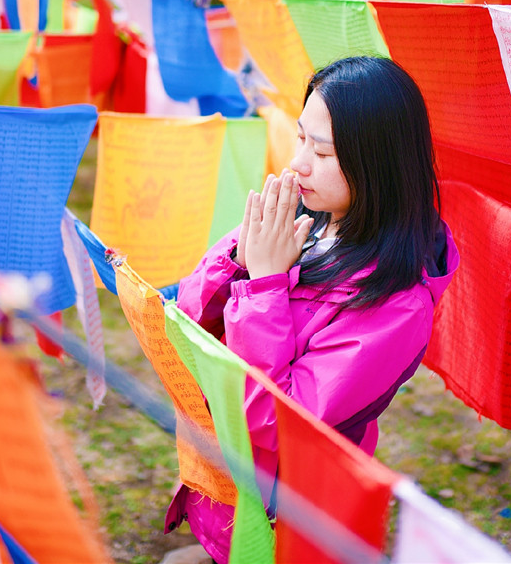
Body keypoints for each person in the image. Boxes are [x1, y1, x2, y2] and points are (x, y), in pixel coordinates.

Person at [165, 56, 461, 562]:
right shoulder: (306, 218)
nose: (298, 163)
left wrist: (264, 286)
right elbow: (189, 325)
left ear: (378, 164)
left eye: (321, 151)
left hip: (289, 508)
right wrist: (238, 262)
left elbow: (281, 423)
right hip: (226, 474)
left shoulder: (397, 305)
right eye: (300, 138)